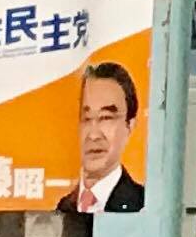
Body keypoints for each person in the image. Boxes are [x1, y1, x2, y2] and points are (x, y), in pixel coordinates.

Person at [58, 59, 145, 215]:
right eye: (86, 118)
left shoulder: (142, 206)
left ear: (129, 125)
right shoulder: (62, 208)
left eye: (106, 118)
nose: (93, 135)